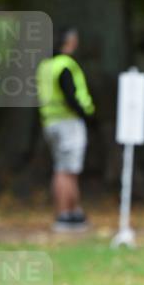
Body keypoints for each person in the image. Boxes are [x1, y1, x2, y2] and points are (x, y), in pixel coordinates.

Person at [36, 26, 95, 231]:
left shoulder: (45, 66)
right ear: (69, 42)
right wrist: (85, 114)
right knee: (65, 170)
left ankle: (74, 211)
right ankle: (63, 215)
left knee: (66, 168)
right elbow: (70, 95)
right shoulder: (65, 65)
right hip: (68, 122)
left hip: (50, 122)